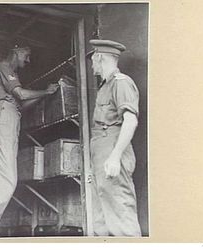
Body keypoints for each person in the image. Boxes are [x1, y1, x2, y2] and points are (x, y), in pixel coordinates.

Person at [0, 44, 59, 237]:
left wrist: (46, 93)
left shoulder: (9, 73)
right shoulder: (4, 67)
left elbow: (21, 105)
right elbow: (20, 94)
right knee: (7, 176)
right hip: (4, 117)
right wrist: (44, 92)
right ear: (17, 51)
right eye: (26, 56)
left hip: (7, 116)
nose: (27, 61)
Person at [88, 39, 141, 236]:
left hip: (112, 149)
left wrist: (115, 156)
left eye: (93, 57)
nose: (92, 62)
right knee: (101, 219)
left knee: (121, 214)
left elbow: (130, 121)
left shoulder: (122, 83)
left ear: (99, 57)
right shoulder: (105, 86)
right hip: (102, 151)